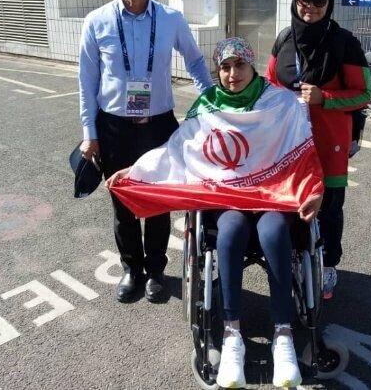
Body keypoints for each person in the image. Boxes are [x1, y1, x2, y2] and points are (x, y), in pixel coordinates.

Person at [109, 38, 323, 388]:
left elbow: (303, 150)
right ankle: (232, 333)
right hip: (227, 197)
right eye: (224, 67)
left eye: (239, 65)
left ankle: (283, 335)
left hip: (271, 195)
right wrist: (135, 173)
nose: (232, 73)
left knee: (273, 232)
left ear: (252, 66)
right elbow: (177, 152)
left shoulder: (280, 102)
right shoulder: (207, 105)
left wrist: (314, 189)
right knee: (231, 231)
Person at [78, 0, 213, 303]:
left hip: (158, 126)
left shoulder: (171, 19)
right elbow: (87, 82)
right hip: (114, 128)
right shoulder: (96, 21)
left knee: (157, 203)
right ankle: (131, 269)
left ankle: (155, 271)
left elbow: (195, 60)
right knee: (123, 203)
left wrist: (212, 101)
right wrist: (90, 133)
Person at [266, 0, 371, 300]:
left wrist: (324, 98)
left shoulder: (345, 42)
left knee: (329, 208)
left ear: (329, 3)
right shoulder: (285, 38)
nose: (310, 5)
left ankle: (328, 266)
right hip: (290, 142)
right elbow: (269, 84)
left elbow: (363, 94)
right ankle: (297, 256)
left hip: (329, 143)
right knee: (292, 203)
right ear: (295, 0)